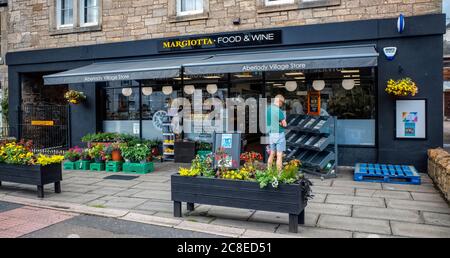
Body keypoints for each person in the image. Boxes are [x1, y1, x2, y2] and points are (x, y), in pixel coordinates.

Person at [266, 94, 287, 171]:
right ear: (279, 101)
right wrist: (280, 123)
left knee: (272, 153)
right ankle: (279, 174)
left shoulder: (268, 109)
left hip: (271, 134)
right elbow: (285, 124)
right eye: (282, 103)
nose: (282, 105)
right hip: (279, 133)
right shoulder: (279, 111)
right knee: (279, 155)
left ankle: (269, 171)